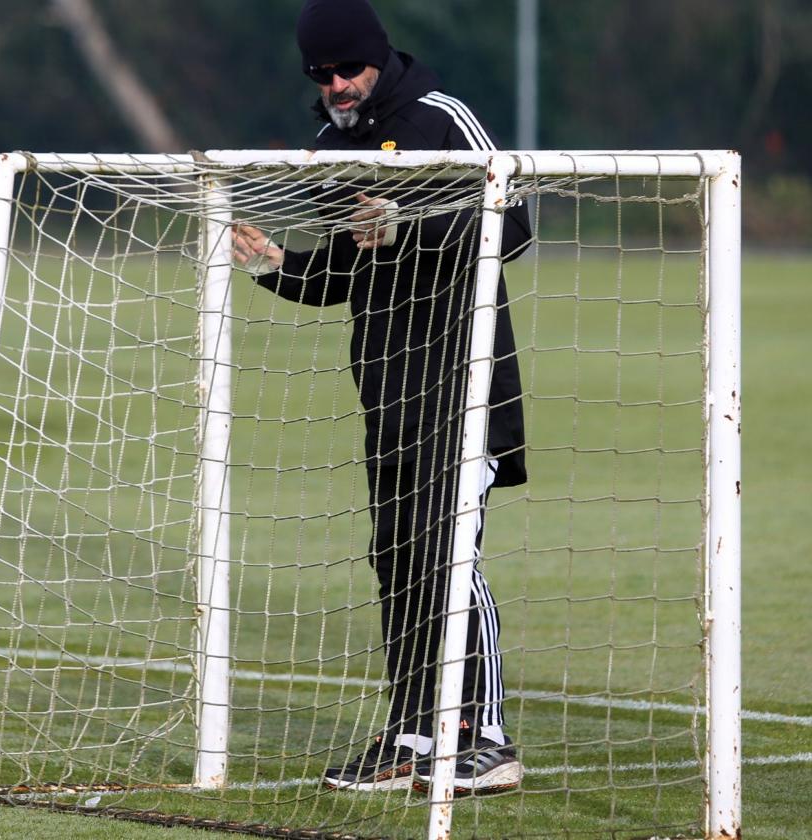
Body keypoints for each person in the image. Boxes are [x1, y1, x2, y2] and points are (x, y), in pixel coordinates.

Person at [231, 0, 532, 795]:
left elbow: (518, 226)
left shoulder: (442, 119)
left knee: (446, 552)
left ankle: (486, 738)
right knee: (398, 561)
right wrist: (274, 267)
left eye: (346, 69)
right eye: (319, 74)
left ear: (378, 56)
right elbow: (344, 271)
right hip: (388, 394)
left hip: (463, 384)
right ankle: (411, 734)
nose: (335, 85)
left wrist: (407, 228)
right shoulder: (333, 144)